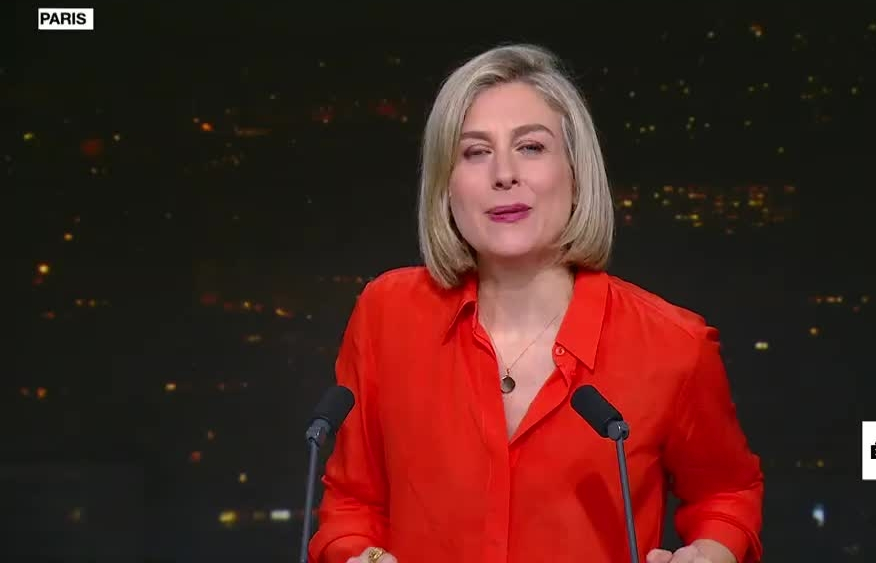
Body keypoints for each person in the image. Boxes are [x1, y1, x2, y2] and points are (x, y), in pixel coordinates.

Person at [308, 43, 764, 563]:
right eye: (475, 152)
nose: (504, 173)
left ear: (575, 173)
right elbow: (351, 503)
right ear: (446, 187)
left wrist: (712, 552)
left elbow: (728, 493)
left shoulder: (674, 346)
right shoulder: (387, 315)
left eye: (530, 147)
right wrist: (359, 555)